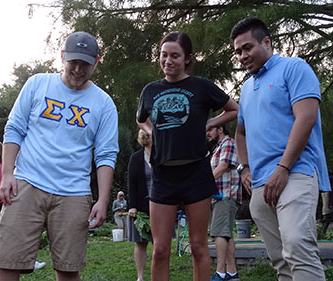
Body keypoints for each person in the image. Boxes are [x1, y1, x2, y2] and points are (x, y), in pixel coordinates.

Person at [0, 31, 119, 281]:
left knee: (68, 268)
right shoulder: (38, 84)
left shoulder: (103, 104)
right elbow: (14, 128)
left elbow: (105, 155)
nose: (79, 70)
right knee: (8, 262)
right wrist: (7, 174)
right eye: (74, 62)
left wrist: (103, 200)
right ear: (62, 57)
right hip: (26, 184)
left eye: (86, 63)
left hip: (73, 193)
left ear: (96, 61)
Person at [231, 17, 331, 280]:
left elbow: (306, 117)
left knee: (298, 246)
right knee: (280, 260)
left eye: (247, 47)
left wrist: (283, 167)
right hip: (260, 185)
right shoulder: (246, 88)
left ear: (267, 42)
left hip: (295, 173)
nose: (242, 56)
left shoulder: (294, 68)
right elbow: (240, 133)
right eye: (238, 51)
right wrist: (244, 169)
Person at [136, 31, 238, 281]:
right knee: (160, 249)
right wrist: (153, 131)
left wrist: (208, 122)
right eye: (164, 55)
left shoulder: (201, 86)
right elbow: (141, 119)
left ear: (187, 58)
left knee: (198, 246)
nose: (168, 61)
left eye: (175, 56)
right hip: (163, 176)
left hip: (196, 174)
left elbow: (234, 108)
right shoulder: (150, 90)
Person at [0, 140, 46, 270]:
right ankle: (29, 261)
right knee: (11, 236)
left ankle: (1, 267)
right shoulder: (6, 167)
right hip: (5, 201)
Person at [206, 125, 241, 281]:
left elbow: (222, 167)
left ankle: (220, 273)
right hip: (219, 196)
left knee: (219, 232)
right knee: (225, 233)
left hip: (226, 196)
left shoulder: (228, 143)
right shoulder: (218, 147)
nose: (207, 134)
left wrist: (203, 183)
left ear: (220, 129)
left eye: (209, 130)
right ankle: (232, 273)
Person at [127, 129, 153, 281]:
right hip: (140, 208)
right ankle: (140, 277)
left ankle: (158, 275)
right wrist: (132, 206)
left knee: (160, 243)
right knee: (140, 242)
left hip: (161, 205)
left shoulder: (162, 156)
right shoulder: (136, 158)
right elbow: (132, 184)